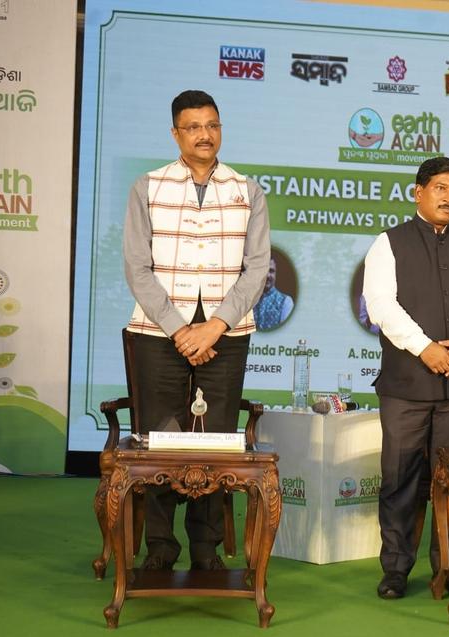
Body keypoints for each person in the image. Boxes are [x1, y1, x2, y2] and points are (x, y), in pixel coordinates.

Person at [123, 89, 270, 571]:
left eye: (212, 125)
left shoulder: (247, 190)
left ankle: (206, 547)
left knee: (216, 440)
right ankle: (162, 547)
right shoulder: (149, 186)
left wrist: (215, 326)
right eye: (193, 127)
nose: (204, 134)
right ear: (175, 133)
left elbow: (257, 269)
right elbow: (137, 268)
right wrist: (179, 328)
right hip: (157, 334)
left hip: (226, 336)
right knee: (161, 441)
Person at [362, 156, 449, 599]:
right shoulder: (388, 244)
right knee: (400, 479)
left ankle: (445, 569)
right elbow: (381, 305)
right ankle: (395, 570)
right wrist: (424, 347)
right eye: (441, 188)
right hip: (406, 385)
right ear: (418, 191)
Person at [253, 257, 295, 330]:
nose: (268, 275)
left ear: (275, 274)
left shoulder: (286, 302)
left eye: (271, 271)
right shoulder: (249, 300)